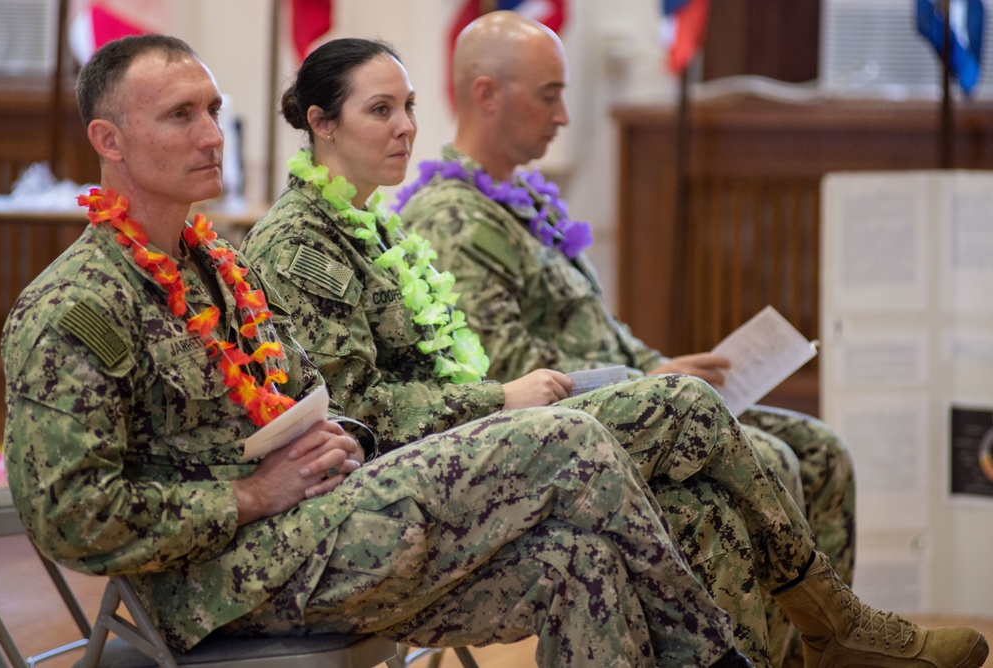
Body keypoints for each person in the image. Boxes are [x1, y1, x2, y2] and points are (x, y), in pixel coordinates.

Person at [0, 34, 758, 668]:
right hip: (222, 579)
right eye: (179, 116)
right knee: (566, 437)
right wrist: (248, 496)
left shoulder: (220, 268)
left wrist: (340, 444)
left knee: (579, 563)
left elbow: (329, 401)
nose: (210, 135)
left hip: (317, 521)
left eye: (213, 111)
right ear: (109, 141)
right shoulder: (77, 307)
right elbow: (72, 516)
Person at [239, 34, 988, 668]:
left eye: (407, 106)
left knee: (706, 502)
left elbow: (476, 353)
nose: (405, 126)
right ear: (321, 123)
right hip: (400, 481)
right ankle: (838, 621)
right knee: (689, 410)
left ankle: (812, 641)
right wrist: (497, 399)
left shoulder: (375, 227)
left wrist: (614, 370)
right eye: (380, 110)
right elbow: (361, 411)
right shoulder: (303, 243)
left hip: (472, 439)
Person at [395, 11, 851, 666]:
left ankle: (819, 653)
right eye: (549, 94)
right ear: (486, 94)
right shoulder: (451, 219)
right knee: (770, 462)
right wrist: (651, 385)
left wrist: (660, 365)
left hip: (633, 410)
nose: (564, 116)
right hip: (561, 448)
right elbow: (513, 377)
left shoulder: (524, 197)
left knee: (820, 450)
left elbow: (596, 331)